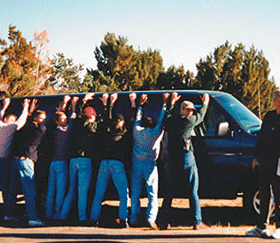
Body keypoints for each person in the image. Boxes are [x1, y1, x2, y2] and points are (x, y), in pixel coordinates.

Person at [245, 88, 280, 239]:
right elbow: (261, 138)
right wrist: (256, 156)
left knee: (279, 195)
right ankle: (262, 226)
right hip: (266, 160)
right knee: (264, 193)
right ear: (274, 101)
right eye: (279, 101)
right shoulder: (269, 117)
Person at [159, 92, 210, 230]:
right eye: (188, 110)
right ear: (182, 110)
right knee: (193, 190)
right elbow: (201, 115)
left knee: (170, 191)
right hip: (186, 158)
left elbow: (167, 117)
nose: (191, 112)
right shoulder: (188, 121)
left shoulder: (171, 121)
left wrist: (171, 102)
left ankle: (163, 221)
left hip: (172, 159)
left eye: (191, 110)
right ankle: (197, 221)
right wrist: (205, 103)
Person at [0, 98, 31, 221]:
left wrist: (5, 106)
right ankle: (8, 214)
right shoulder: (10, 128)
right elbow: (22, 120)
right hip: (0, 160)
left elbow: (0, 116)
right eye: (12, 119)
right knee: (5, 188)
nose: (13, 121)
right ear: (7, 120)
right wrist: (25, 107)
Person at [129, 92, 174, 229]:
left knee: (135, 192)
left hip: (136, 164)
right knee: (152, 193)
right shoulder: (155, 133)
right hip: (150, 165)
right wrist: (165, 103)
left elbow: (137, 118)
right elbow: (161, 120)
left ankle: (133, 217)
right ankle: (150, 218)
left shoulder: (136, 131)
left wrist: (141, 105)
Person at [58, 93, 103, 223]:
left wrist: (83, 101)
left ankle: (62, 214)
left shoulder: (77, 125)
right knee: (82, 191)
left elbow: (77, 115)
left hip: (73, 160)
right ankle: (82, 217)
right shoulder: (93, 128)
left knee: (71, 189)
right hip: (85, 160)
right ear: (93, 117)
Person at [89, 93, 133, 227]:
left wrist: (109, 103)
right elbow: (133, 119)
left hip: (104, 163)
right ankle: (123, 219)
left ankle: (93, 218)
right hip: (117, 163)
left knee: (99, 193)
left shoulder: (106, 130)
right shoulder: (124, 132)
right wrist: (133, 103)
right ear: (122, 122)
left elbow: (106, 119)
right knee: (123, 194)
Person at [10, 100, 47, 227]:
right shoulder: (40, 130)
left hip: (15, 160)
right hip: (26, 161)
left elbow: (27, 122)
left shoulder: (23, 127)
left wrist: (28, 110)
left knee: (12, 190)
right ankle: (32, 218)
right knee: (30, 191)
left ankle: (8, 214)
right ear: (37, 119)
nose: (43, 121)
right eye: (41, 118)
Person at [44, 95, 77, 222]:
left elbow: (58, 118)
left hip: (53, 162)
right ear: (59, 121)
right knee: (60, 189)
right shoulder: (66, 130)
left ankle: (48, 213)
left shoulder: (53, 130)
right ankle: (57, 214)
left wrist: (64, 105)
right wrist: (73, 105)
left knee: (51, 189)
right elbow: (73, 118)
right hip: (61, 163)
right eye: (63, 119)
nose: (65, 120)